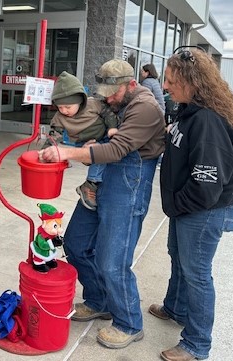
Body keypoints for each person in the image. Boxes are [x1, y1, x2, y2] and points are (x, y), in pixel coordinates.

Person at [39, 59, 165, 349]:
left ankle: (129, 322)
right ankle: (99, 300)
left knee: (113, 260)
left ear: (131, 85)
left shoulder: (145, 106)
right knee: (75, 243)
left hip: (129, 182)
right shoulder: (114, 103)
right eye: (104, 91)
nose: (107, 97)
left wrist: (71, 153)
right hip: (102, 178)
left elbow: (118, 149)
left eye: (113, 92)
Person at [148, 47, 233, 361]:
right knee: (178, 258)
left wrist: (176, 204)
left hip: (202, 211)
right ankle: (176, 307)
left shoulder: (206, 121)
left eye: (171, 81)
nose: (165, 86)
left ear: (194, 83)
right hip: (187, 207)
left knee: (197, 274)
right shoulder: (188, 109)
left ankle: (196, 344)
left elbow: (207, 184)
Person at [46, 71, 119, 211]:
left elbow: (108, 113)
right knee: (99, 154)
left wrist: (112, 128)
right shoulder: (59, 117)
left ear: (80, 101)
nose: (64, 111)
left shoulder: (93, 104)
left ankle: (92, 183)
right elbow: (53, 136)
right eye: (60, 107)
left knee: (104, 152)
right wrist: (46, 151)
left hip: (103, 135)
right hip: (81, 142)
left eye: (68, 107)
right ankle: (90, 184)